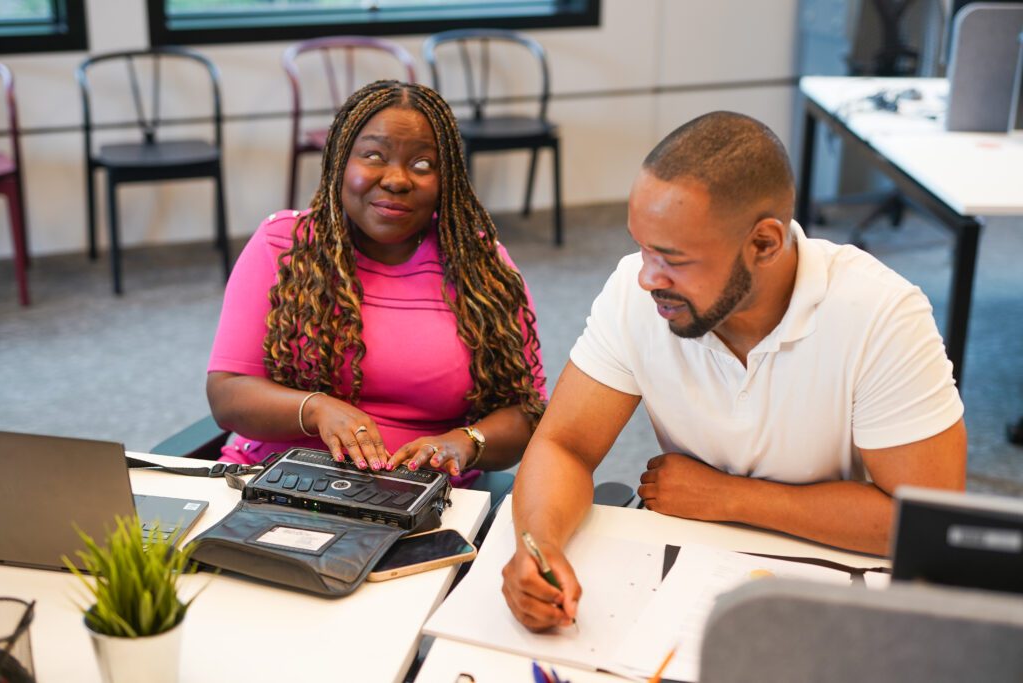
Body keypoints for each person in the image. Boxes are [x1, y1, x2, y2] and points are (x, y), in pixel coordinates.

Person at [501, 111, 966, 631]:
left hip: (833, 573)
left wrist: (731, 497)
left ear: (764, 244)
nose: (646, 277)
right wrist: (537, 548)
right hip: (693, 564)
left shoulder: (881, 314)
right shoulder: (638, 292)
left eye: (672, 258)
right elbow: (564, 445)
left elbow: (926, 522)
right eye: (641, 246)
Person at [206, 80, 545, 487]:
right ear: (339, 162)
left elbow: (525, 411)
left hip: (424, 494)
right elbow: (227, 396)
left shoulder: (479, 265)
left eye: (422, 164)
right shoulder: (284, 246)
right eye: (373, 156)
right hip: (278, 478)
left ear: (446, 179)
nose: (397, 179)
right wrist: (316, 410)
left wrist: (465, 442)